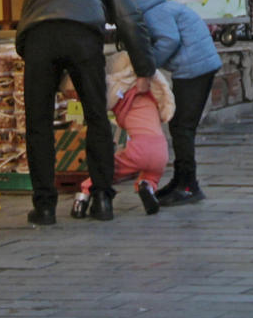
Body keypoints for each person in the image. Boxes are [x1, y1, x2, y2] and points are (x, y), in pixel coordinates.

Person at [15, 0, 154, 226]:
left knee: (38, 124)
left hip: (37, 39)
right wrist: (144, 69)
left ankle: (44, 207)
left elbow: (26, 18)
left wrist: (41, 63)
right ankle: (102, 199)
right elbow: (130, 21)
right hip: (82, 36)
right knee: (96, 118)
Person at [136, 0, 223, 205]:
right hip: (199, 66)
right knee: (179, 126)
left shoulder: (154, 13)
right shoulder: (167, 7)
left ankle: (188, 186)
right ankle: (181, 180)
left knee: (182, 127)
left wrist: (149, 65)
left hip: (194, 69)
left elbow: (169, 40)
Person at [71, 50, 175, 218]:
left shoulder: (121, 98)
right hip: (161, 152)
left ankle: (83, 194)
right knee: (152, 173)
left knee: (106, 170)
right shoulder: (150, 96)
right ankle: (146, 186)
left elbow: (110, 103)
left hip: (138, 150)